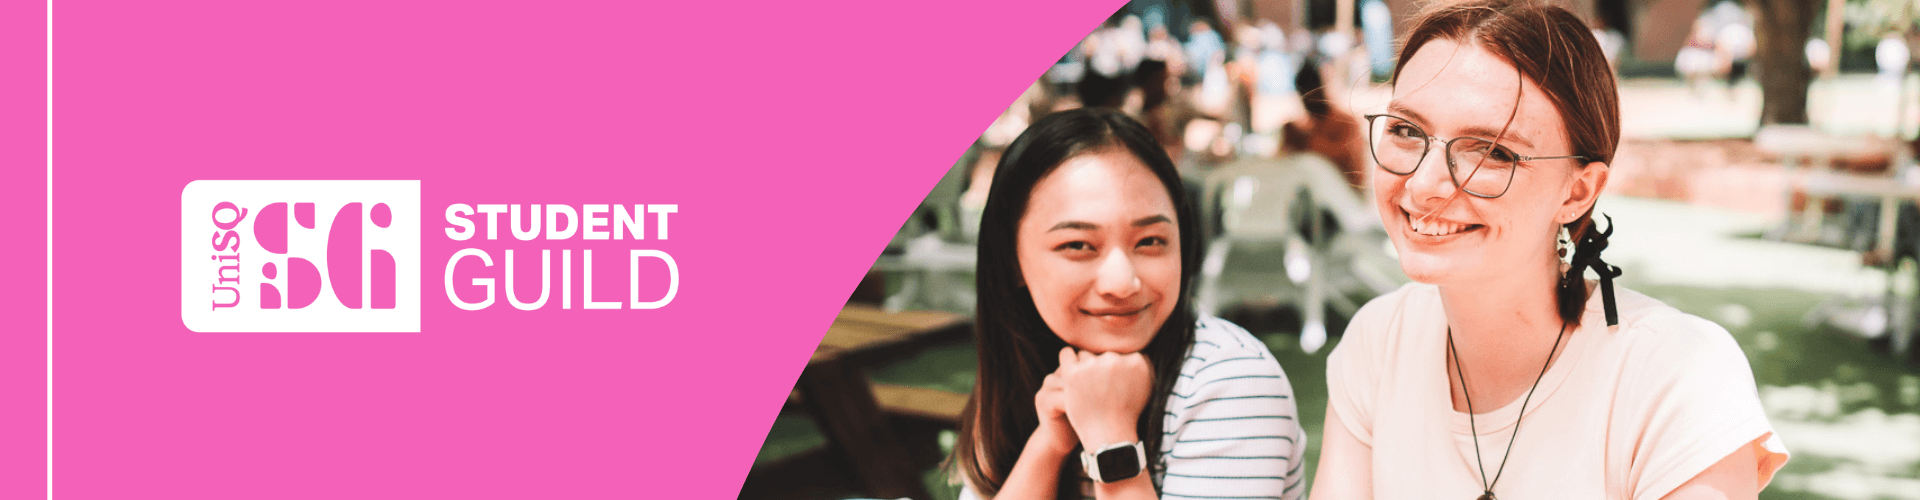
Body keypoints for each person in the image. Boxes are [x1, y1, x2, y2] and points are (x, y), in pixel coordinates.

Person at [1309, 1, 1789, 499]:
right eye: (1406, 131)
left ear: (1577, 192)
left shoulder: (1678, 376)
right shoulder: (1379, 341)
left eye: (1492, 150)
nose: (1425, 183)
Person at [952, 107, 1307, 499]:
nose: (1122, 282)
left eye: (1151, 241)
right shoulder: (1026, 365)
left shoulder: (1231, 380)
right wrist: (1049, 444)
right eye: (1078, 246)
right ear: (1012, 260)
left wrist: (1110, 438)